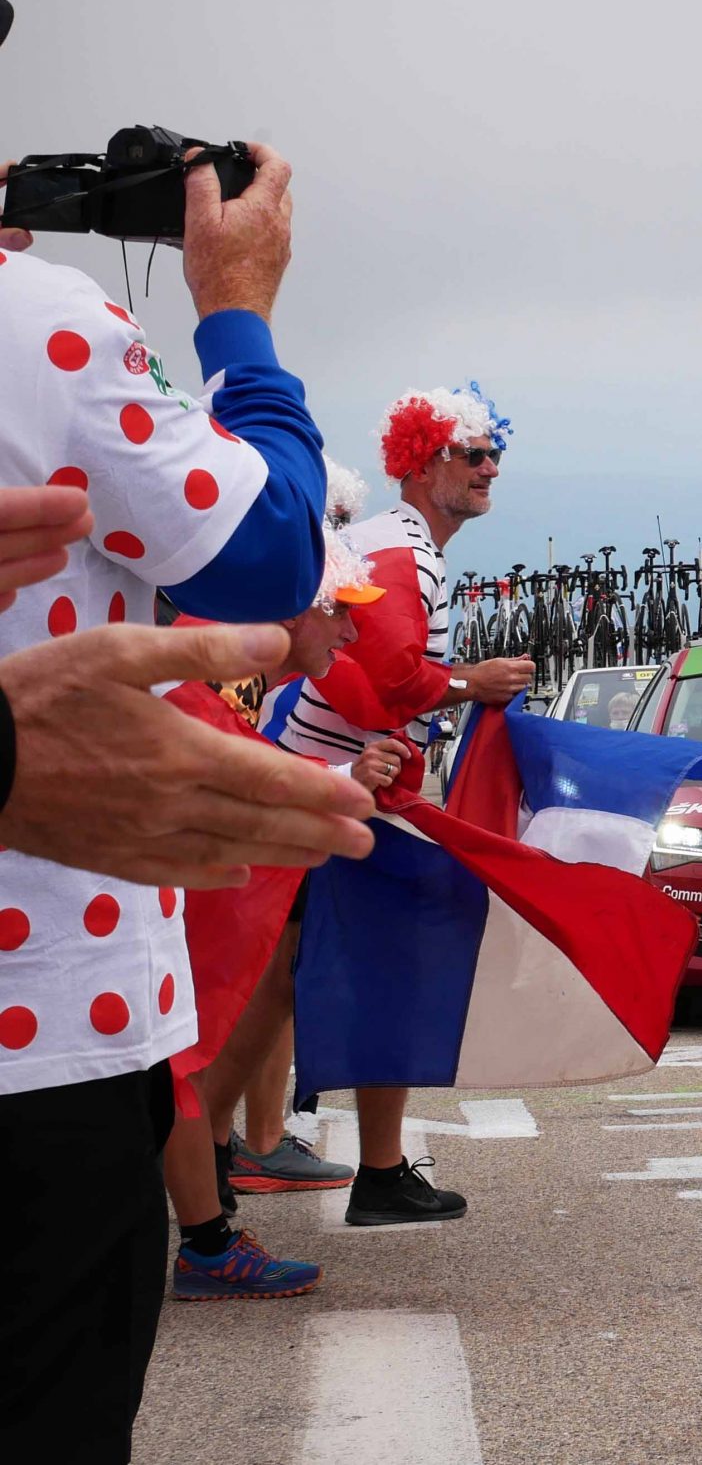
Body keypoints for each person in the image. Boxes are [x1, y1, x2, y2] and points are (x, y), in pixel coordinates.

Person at [1, 138, 378, 1457]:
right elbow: (263, 551)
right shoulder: (38, 320)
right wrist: (237, 316)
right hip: (39, 1018)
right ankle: (217, 1210)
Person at [279, 384, 537, 1225]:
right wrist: (475, 683)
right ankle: (368, 1173)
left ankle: (250, 1162)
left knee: (274, 981)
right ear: (425, 465)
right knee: (372, 967)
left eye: (494, 452)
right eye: (472, 455)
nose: (489, 467)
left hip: (342, 782)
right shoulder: (406, 549)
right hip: (341, 789)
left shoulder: (403, 544)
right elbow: (383, 679)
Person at [158, 528, 407, 1300]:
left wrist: (336, 776)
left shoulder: (239, 652)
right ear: (300, 610)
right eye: (341, 615)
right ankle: (203, 1241)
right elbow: (220, 757)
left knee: (175, 1057)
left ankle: (208, 1227)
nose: (352, 631)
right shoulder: (227, 653)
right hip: (122, 880)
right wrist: (336, 779)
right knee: (169, 1054)